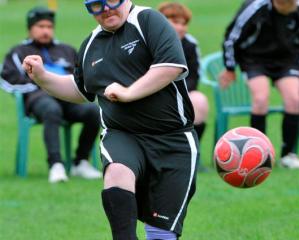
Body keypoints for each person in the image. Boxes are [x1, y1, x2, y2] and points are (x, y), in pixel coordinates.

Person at [22, 0, 199, 239]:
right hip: (123, 134)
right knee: (116, 172)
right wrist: (43, 77)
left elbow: (170, 67)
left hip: (173, 140)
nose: (105, 9)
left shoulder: (148, 20)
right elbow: (79, 89)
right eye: (96, 5)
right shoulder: (91, 44)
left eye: (111, 1)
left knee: (161, 234)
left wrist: (129, 92)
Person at [1, 6, 102, 183]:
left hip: (68, 97)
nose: (45, 31)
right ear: (30, 28)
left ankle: (80, 162)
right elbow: (7, 80)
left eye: (49, 27)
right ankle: (56, 165)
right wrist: (38, 86)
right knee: (51, 109)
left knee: (93, 111)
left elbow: (81, 77)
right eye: (40, 26)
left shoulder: (67, 50)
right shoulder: (18, 52)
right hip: (38, 100)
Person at [220, 0, 299, 169]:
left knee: (295, 100)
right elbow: (231, 37)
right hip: (255, 60)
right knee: (261, 99)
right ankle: (259, 155)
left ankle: (288, 155)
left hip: (287, 61)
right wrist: (230, 68)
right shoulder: (255, 7)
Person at [158, 2, 209, 171]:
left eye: (184, 23)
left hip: (182, 93)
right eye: (175, 22)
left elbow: (194, 76)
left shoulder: (190, 44)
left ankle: (192, 155)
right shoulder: (149, 42)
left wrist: (177, 93)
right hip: (152, 95)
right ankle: (159, 157)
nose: (180, 27)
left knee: (200, 101)